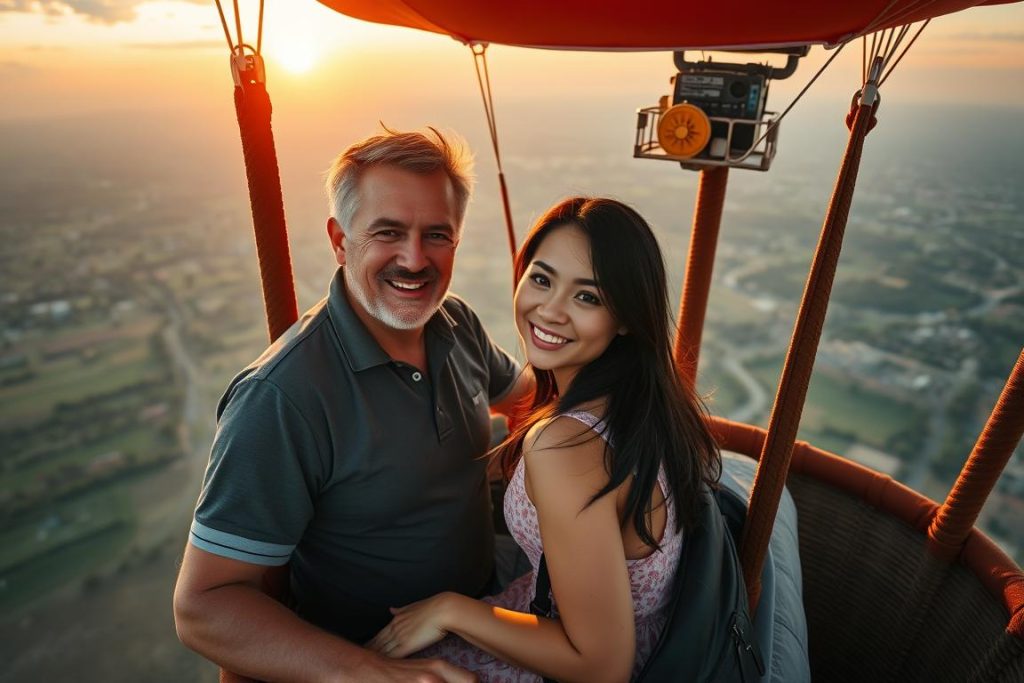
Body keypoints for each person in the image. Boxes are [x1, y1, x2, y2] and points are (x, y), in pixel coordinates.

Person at [173, 128, 533, 682]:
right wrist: (370, 673)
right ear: (340, 241)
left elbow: (527, 397)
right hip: (377, 653)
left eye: (436, 235)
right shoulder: (283, 398)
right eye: (388, 232)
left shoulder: (454, 323)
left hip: (484, 607)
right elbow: (204, 606)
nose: (414, 260)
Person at [367, 197, 723, 682]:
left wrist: (449, 610)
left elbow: (601, 667)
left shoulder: (565, 446)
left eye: (587, 297)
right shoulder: (645, 404)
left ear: (625, 317)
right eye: (541, 279)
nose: (550, 310)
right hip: (644, 633)